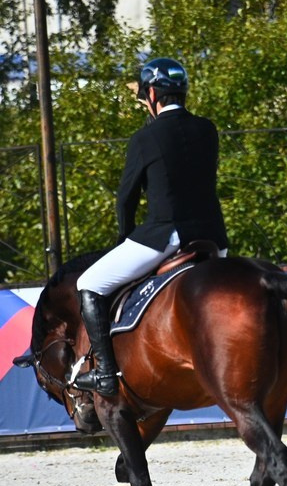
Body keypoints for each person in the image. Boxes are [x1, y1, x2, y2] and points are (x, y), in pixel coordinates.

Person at [73, 58, 229, 396]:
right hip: (215, 238)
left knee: (90, 283)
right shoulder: (208, 129)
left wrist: (123, 238)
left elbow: (126, 198)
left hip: (166, 236)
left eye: (145, 97)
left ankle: (105, 373)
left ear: (153, 94)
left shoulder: (145, 137)